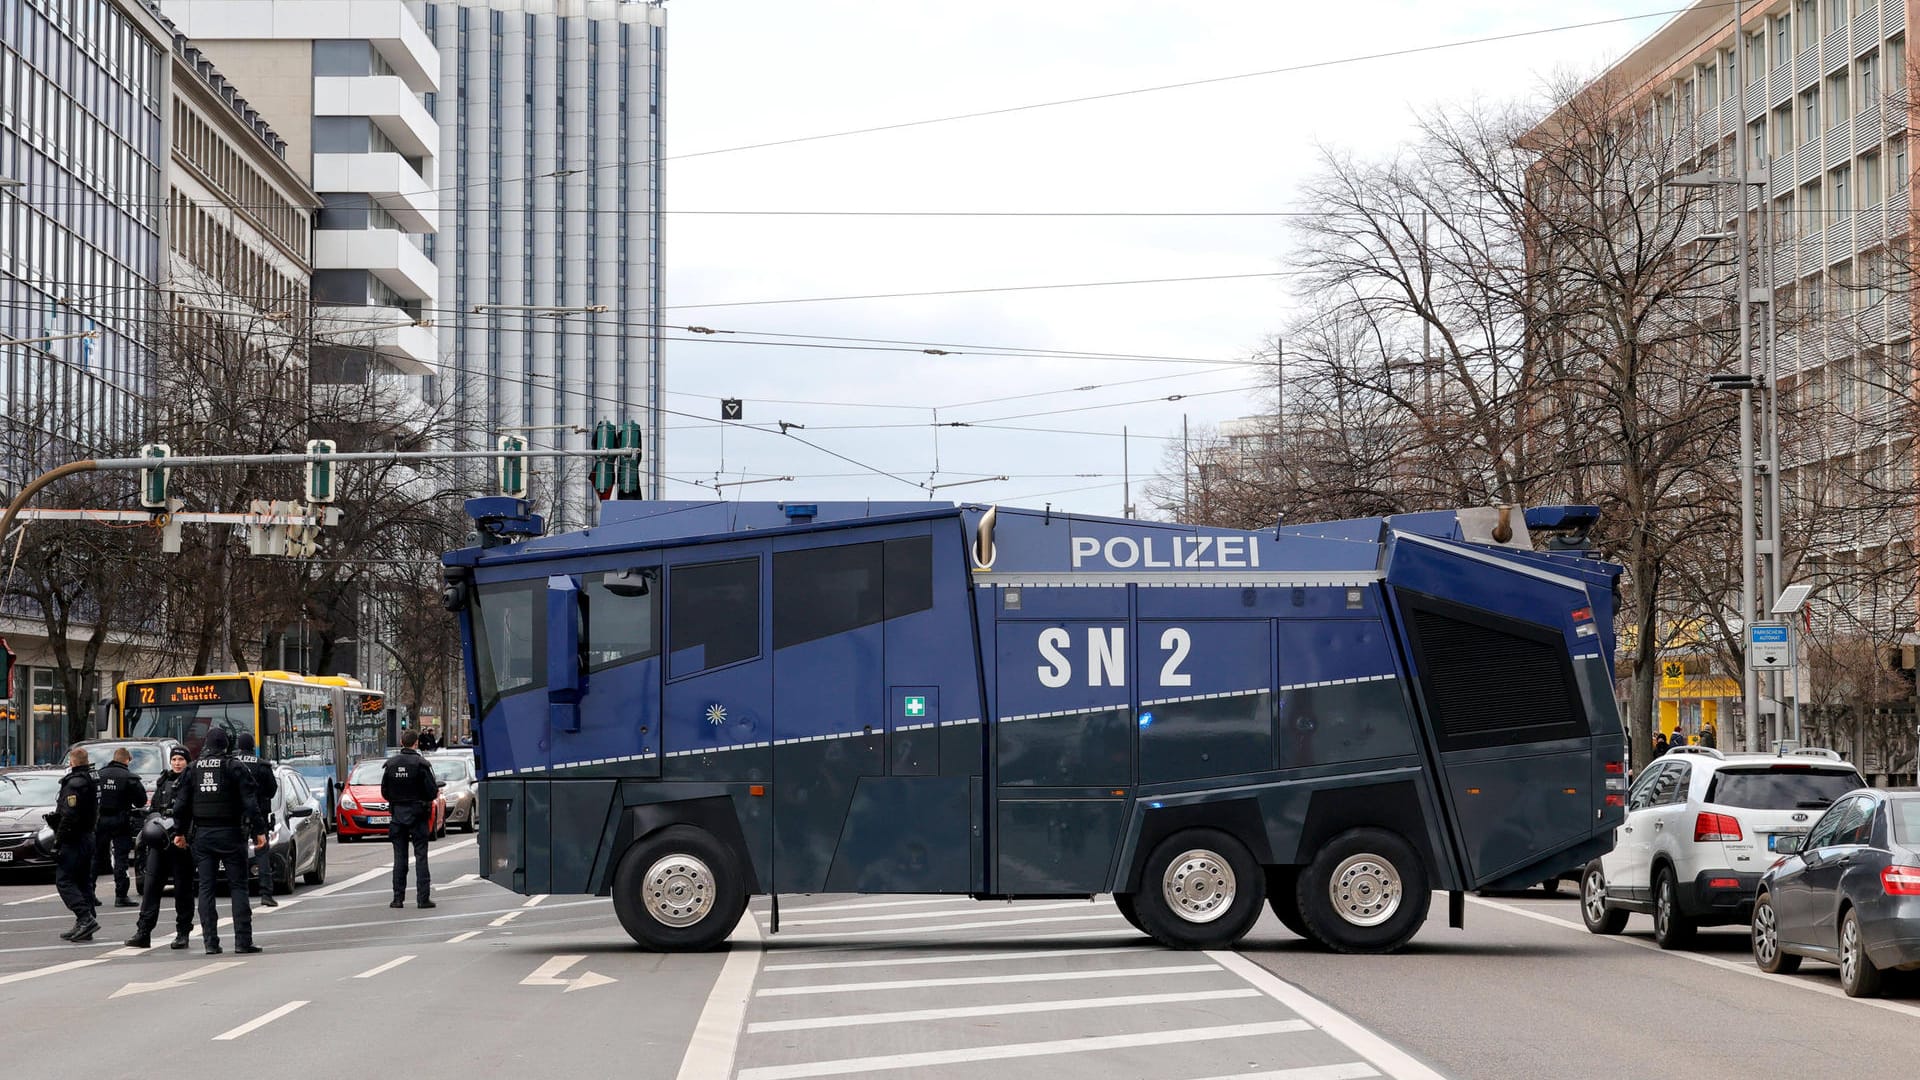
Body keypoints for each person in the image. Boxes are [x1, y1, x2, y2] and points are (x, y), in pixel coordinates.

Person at [171, 728, 265, 955]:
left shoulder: (193, 769)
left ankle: (210, 943)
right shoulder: (234, 766)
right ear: (226, 746)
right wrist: (259, 831)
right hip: (232, 834)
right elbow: (250, 802)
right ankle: (243, 941)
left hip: (202, 835)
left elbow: (181, 805)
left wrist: (179, 832)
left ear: (206, 745)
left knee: (206, 888)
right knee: (239, 887)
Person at [127, 747, 197, 949]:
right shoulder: (163, 781)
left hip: (181, 841)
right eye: (174, 759)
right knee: (150, 888)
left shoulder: (192, 781)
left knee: (183, 889)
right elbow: (155, 809)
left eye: (181, 760)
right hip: (160, 842)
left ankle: (183, 932)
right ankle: (144, 932)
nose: (177, 763)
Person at [382, 730, 440, 909]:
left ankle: (397, 898)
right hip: (418, 815)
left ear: (401, 742)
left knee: (400, 858)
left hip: (397, 817)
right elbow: (432, 791)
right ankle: (423, 899)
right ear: (416, 743)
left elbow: (384, 792)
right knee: (421, 857)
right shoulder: (421, 764)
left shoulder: (390, 765)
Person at [49, 748, 100, 943]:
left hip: (74, 839)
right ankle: (86, 922)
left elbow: (69, 816)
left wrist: (57, 842)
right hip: (87, 836)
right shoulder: (90, 779)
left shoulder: (74, 784)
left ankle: (85, 918)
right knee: (82, 880)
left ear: (72, 761)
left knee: (64, 881)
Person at [93, 747, 148, 909]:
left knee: (95, 857)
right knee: (121, 859)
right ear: (127, 760)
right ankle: (121, 896)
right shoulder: (130, 778)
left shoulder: (98, 776)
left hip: (100, 820)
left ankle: (90, 894)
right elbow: (141, 801)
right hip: (121, 820)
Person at [233, 733, 279, 908]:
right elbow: (272, 790)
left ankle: (240, 890)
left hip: (237, 815)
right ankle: (266, 893)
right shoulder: (262, 765)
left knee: (238, 854)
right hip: (258, 814)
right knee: (262, 852)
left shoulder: (232, 763)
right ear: (253, 746)